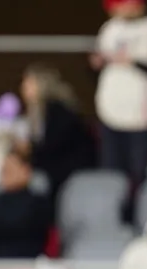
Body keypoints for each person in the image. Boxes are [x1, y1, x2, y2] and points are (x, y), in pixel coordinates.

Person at [92, 0, 147, 208]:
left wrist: (134, 62)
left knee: (140, 177)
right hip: (110, 114)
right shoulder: (110, 29)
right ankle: (113, 218)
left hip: (141, 117)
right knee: (111, 176)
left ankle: (141, 217)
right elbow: (99, 68)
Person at [19, 64, 96, 210]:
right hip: (57, 167)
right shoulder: (40, 113)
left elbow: (53, 147)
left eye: (28, 83)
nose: (23, 87)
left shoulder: (57, 111)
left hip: (69, 171)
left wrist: (30, 149)